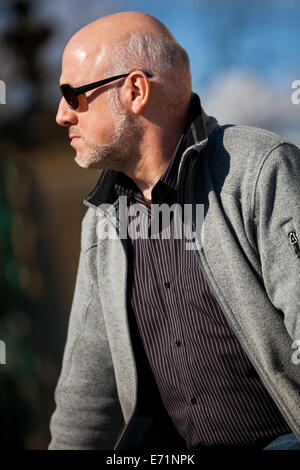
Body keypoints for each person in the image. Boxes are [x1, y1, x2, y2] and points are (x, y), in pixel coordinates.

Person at [48, 11, 300, 450]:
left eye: (72, 95)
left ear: (135, 91)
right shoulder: (102, 218)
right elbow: (87, 392)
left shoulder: (260, 171)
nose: (60, 115)